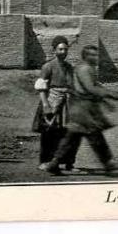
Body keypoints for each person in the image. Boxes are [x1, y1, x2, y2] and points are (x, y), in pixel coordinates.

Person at [43, 45, 118, 175]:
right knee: (92, 134)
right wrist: (110, 94)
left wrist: (105, 101)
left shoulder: (88, 68)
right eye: (92, 55)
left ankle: (54, 163)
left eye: (96, 55)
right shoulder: (84, 69)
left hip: (84, 108)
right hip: (82, 109)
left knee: (74, 137)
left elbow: (94, 87)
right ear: (85, 56)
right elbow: (90, 88)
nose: (95, 57)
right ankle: (108, 162)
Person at [33, 35, 78, 171]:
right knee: (49, 133)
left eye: (65, 49)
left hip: (67, 104)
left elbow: (72, 86)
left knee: (67, 133)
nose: (63, 52)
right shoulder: (48, 66)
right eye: (60, 49)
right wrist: (46, 105)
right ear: (54, 50)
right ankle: (44, 161)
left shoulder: (69, 67)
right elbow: (41, 87)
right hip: (51, 102)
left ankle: (67, 163)